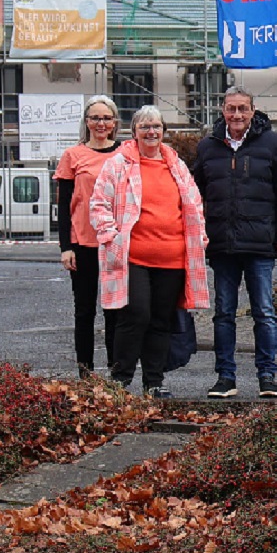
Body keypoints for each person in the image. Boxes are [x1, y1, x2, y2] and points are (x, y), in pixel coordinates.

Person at [89, 105, 210, 398]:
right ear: (134, 132)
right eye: (144, 127)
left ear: (164, 131)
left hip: (172, 257)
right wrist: (111, 236)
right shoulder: (118, 164)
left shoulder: (177, 165)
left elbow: (194, 204)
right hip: (133, 256)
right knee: (136, 315)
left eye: (156, 126)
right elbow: (99, 204)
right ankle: (120, 378)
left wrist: (200, 237)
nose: (151, 132)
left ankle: (154, 382)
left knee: (161, 319)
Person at [192, 88, 277, 399]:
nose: (236, 115)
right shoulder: (208, 147)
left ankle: (267, 375)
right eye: (231, 108)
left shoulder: (274, 145)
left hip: (261, 244)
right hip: (221, 244)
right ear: (222, 110)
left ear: (253, 111)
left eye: (242, 109)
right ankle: (225, 377)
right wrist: (196, 236)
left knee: (264, 311)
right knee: (224, 312)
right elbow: (194, 196)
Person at [54, 94, 123, 377]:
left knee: (115, 312)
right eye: (95, 118)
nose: (101, 123)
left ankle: (116, 373)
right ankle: (85, 372)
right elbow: (64, 205)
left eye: (106, 118)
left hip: (115, 244)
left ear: (115, 122)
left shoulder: (125, 153)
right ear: (86, 122)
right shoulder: (73, 155)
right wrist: (65, 247)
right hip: (82, 243)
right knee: (84, 312)